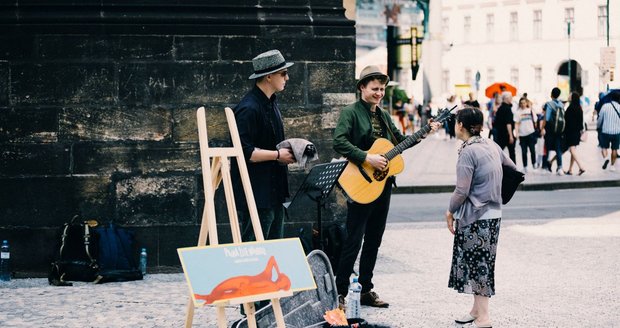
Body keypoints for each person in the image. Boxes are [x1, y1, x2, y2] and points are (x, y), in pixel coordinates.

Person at [333, 65, 439, 309]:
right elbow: (339, 141)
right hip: (360, 183)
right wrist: (366, 158)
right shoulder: (351, 112)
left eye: (382, 89)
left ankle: (365, 289)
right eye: (374, 89)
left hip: (383, 185)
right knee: (353, 239)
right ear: (362, 88)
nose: (379, 93)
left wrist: (424, 132)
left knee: (374, 240)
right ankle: (340, 292)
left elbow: (400, 143)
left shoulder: (383, 115)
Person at [445, 107, 517, 328]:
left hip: (476, 216)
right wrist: (493, 190)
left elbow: (461, 190)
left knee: (479, 265)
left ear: (460, 126)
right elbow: (512, 169)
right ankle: (476, 311)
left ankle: (484, 317)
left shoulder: (468, 152)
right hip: (493, 215)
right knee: (482, 262)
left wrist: (449, 211)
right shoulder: (491, 144)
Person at [231, 49, 297, 243]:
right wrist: (278, 155)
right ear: (268, 76)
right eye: (283, 73)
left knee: (274, 249)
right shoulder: (248, 108)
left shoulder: (271, 103)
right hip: (257, 193)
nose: (287, 77)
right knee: (253, 248)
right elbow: (244, 151)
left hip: (274, 190)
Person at [540, 87, 566, 175]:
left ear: (551, 94)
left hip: (550, 130)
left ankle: (546, 167)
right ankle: (560, 168)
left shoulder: (549, 104)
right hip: (559, 131)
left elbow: (546, 118)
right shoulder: (561, 105)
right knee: (558, 149)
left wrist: (542, 128)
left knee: (547, 148)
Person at [597, 90, 620, 171]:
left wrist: (598, 126)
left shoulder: (605, 106)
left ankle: (606, 158)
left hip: (605, 131)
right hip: (616, 132)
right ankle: (612, 166)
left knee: (604, 147)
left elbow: (600, 118)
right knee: (614, 149)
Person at [563, 92, 586, 175]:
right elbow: (581, 122)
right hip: (577, 132)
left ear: (572, 98)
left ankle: (581, 167)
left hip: (570, 132)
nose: (568, 96)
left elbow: (566, 121)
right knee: (573, 150)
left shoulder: (570, 108)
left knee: (572, 150)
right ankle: (570, 170)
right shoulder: (579, 108)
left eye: (570, 96)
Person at [514, 97, 537, 172]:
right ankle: (525, 166)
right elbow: (516, 124)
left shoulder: (530, 110)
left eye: (524, 103)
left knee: (532, 150)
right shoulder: (517, 113)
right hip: (522, 135)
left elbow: (535, 120)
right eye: (521, 103)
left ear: (526, 103)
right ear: (519, 104)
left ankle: (534, 164)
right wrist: (516, 133)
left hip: (531, 133)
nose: (523, 104)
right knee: (524, 152)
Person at [493, 92, 516, 163]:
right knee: (512, 152)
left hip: (500, 134)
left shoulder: (500, 108)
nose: (511, 99)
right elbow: (508, 123)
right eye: (510, 97)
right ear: (506, 98)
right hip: (507, 134)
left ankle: (496, 165)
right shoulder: (507, 109)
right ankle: (513, 169)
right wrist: (511, 135)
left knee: (499, 151)